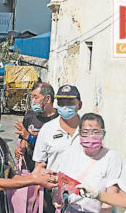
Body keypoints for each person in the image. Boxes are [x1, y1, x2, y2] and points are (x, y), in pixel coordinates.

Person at [53, 113, 121, 213]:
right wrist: (56, 197)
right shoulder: (70, 154)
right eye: (85, 132)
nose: (90, 136)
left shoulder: (111, 157)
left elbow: (110, 198)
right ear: (80, 134)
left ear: (103, 134)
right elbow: (60, 184)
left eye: (95, 132)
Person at [32, 84, 82, 212]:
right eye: (61, 102)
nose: (65, 105)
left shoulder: (88, 130)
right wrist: (39, 194)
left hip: (83, 197)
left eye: (70, 102)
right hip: (55, 199)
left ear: (79, 105)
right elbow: (39, 165)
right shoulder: (47, 129)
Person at [14, 82, 59, 171]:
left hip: (50, 171)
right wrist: (20, 149)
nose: (33, 101)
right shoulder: (29, 116)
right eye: (32, 97)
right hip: (29, 169)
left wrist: (29, 137)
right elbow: (23, 139)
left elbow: (54, 147)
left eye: (36, 97)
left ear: (48, 99)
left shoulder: (59, 120)